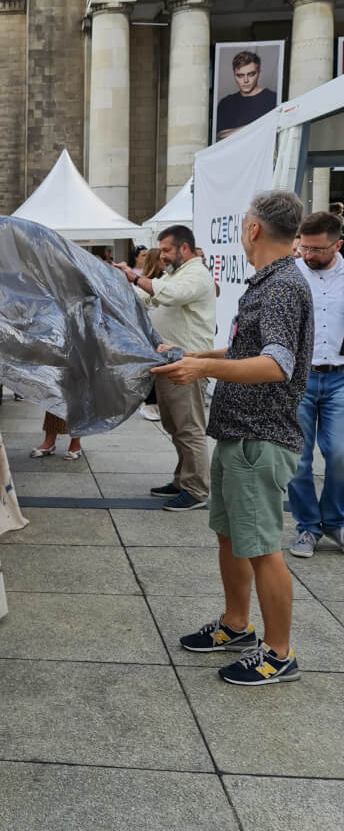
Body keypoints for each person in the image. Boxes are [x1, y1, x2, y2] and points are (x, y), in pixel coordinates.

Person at [153, 191, 312, 686]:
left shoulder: (283, 286)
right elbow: (247, 348)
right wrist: (193, 354)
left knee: (262, 546)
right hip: (238, 435)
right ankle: (236, 624)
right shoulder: (267, 282)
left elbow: (276, 365)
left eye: (244, 222)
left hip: (259, 439)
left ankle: (278, 654)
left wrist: (203, 366)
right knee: (231, 537)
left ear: (253, 230)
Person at [119, 226, 217, 511]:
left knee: (189, 427)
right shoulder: (177, 273)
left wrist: (136, 277)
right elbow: (151, 298)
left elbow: (170, 295)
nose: (161, 256)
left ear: (183, 248)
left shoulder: (196, 274)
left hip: (186, 362)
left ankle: (196, 490)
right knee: (175, 425)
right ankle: (182, 480)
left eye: (165, 250)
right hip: (169, 361)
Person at [288, 211, 344, 557]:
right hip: (300, 376)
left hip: (339, 376)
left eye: (317, 249)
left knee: (340, 453)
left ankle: (335, 521)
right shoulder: (292, 274)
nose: (308, 255)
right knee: (298, 459)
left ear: (337, 244)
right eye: (304, 247)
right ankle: (308, 527)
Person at [215, 50, 278, 141]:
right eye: (240, 75)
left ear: (259, 73)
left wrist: (235, 132)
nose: (245, 80)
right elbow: (220, 136)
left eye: (251, 74)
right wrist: (261, 126)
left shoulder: (273, 99)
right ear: (234, 75)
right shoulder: (226, 103)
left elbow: (275, 132)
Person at [135, 249, 165, 421]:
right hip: (150, 332)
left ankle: (153, 402)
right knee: (153, 368)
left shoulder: (167, 282)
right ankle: (148, 403)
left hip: (161, 331)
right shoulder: (146, 284)